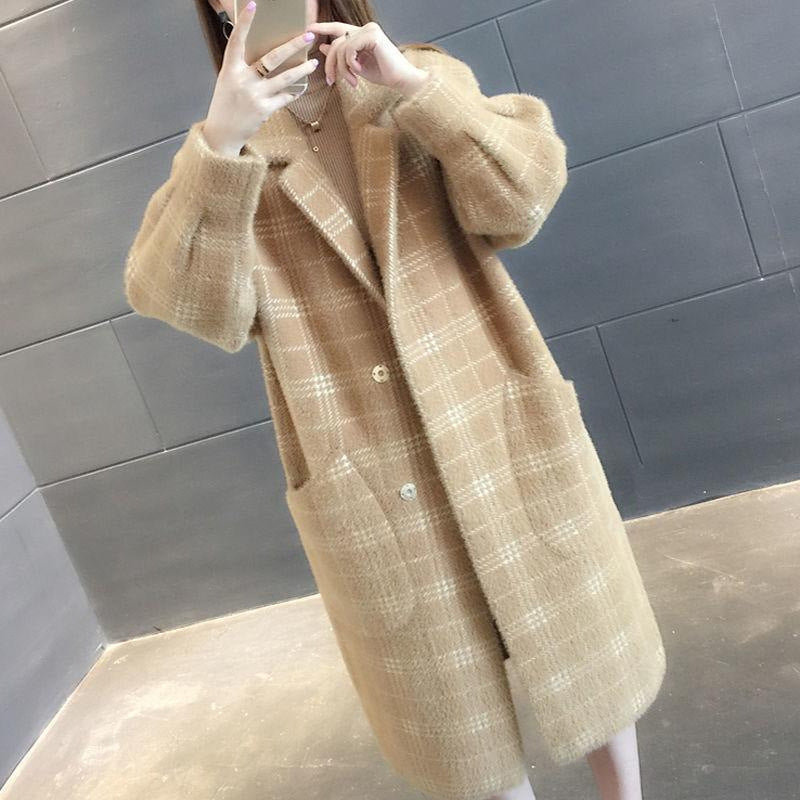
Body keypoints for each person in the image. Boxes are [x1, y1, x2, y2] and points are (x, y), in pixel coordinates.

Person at [123, 1, 667, 799]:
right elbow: (187, 302)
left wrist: (417, 90)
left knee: (586, 643)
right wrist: (220, 141)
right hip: (367, 469)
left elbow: (523, 197)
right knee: (458, 719)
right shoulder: (229, 154)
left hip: (496, 421)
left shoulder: (410, 81)